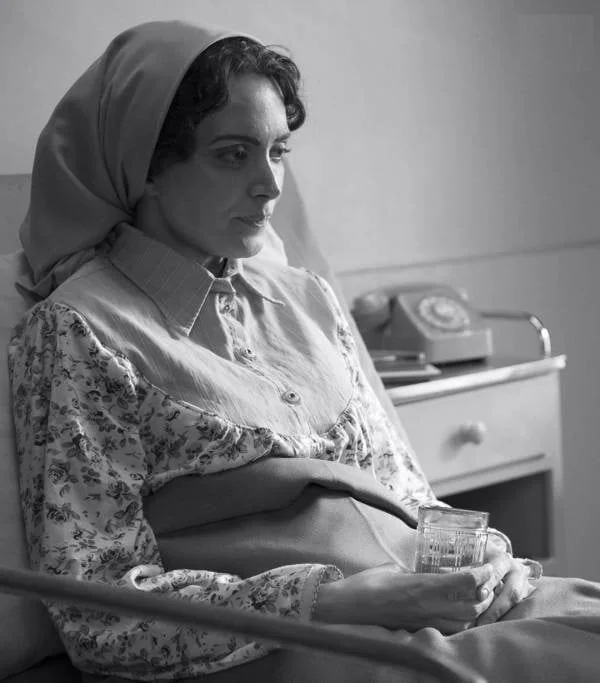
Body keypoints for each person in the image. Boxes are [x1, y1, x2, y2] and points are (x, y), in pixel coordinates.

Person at [7, 18, 600, 683]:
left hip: (420, 602)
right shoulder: (80, 329)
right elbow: (101, 610)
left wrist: (484, 558)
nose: (270, 184)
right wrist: (335, 600)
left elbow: (406, 491)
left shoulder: (307, 299)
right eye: (233, 154)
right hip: (286, 645)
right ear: (145, 166)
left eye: (279, 151)